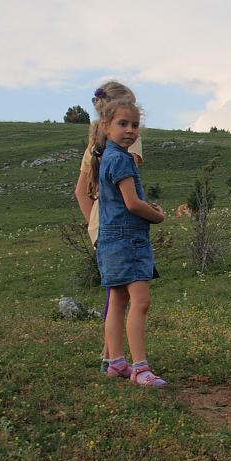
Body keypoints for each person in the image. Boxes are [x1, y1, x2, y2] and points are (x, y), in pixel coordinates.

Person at [91, 95, 167, 387]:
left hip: (109, 241)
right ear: (106, 126)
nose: (130, 130)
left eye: (135, 125)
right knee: (141, 301)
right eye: (123, 124)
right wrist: (157, 216)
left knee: (118, 301)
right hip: (128, 241)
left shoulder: (106, 157)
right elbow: (133, 204)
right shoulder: (121, 160)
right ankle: (140, 368)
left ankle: (115, 362)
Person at [74, 81, 144, 373]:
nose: (130, 127)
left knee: (114, 292)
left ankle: (111, 357)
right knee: (124, 294)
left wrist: (98, 227)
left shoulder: (94, 143)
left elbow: (81, 192)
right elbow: (129, 190)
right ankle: (114, 358)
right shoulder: (127, 144)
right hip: (122, 224)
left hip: (102, 224)